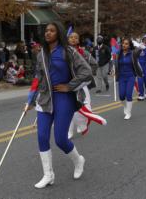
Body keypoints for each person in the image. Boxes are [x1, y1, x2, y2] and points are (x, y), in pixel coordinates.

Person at [26, 22, 94, 189]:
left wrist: (69, 86)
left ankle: (78, 160)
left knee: (61, 140)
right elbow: (38, 78)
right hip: (45, 99)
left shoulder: (68, 51)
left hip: (64, 98)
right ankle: (48, 175)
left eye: (52, 30)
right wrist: (30, 100)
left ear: (59, 33)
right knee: (42, 136)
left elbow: (87, 71)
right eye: (46, 31)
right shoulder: (41, 53)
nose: (48, 33)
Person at [67, 32, 101, 139]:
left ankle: (82, 123)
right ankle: (69, 131)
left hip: (80, 83)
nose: (73, 39)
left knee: (83, 105)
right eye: (71, 37)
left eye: (75, 37)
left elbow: (94, 64)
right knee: (68, 108)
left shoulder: (83, 52)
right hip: (67, 83)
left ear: (78, 40)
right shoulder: (63, 52)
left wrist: (87, 77)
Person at [115, 38, 143, 120]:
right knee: (121, 96)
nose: (124, 45)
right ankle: (125, 107)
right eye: (123, 43)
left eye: (126, 44)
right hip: (121, 76)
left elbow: (140, 49)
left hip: (130, 76)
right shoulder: (118, 53)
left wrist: (136, 44)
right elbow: (115, 64)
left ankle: (128, 112)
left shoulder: (133, 53)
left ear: (129, 45)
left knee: (128, 94)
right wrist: (113, 70)